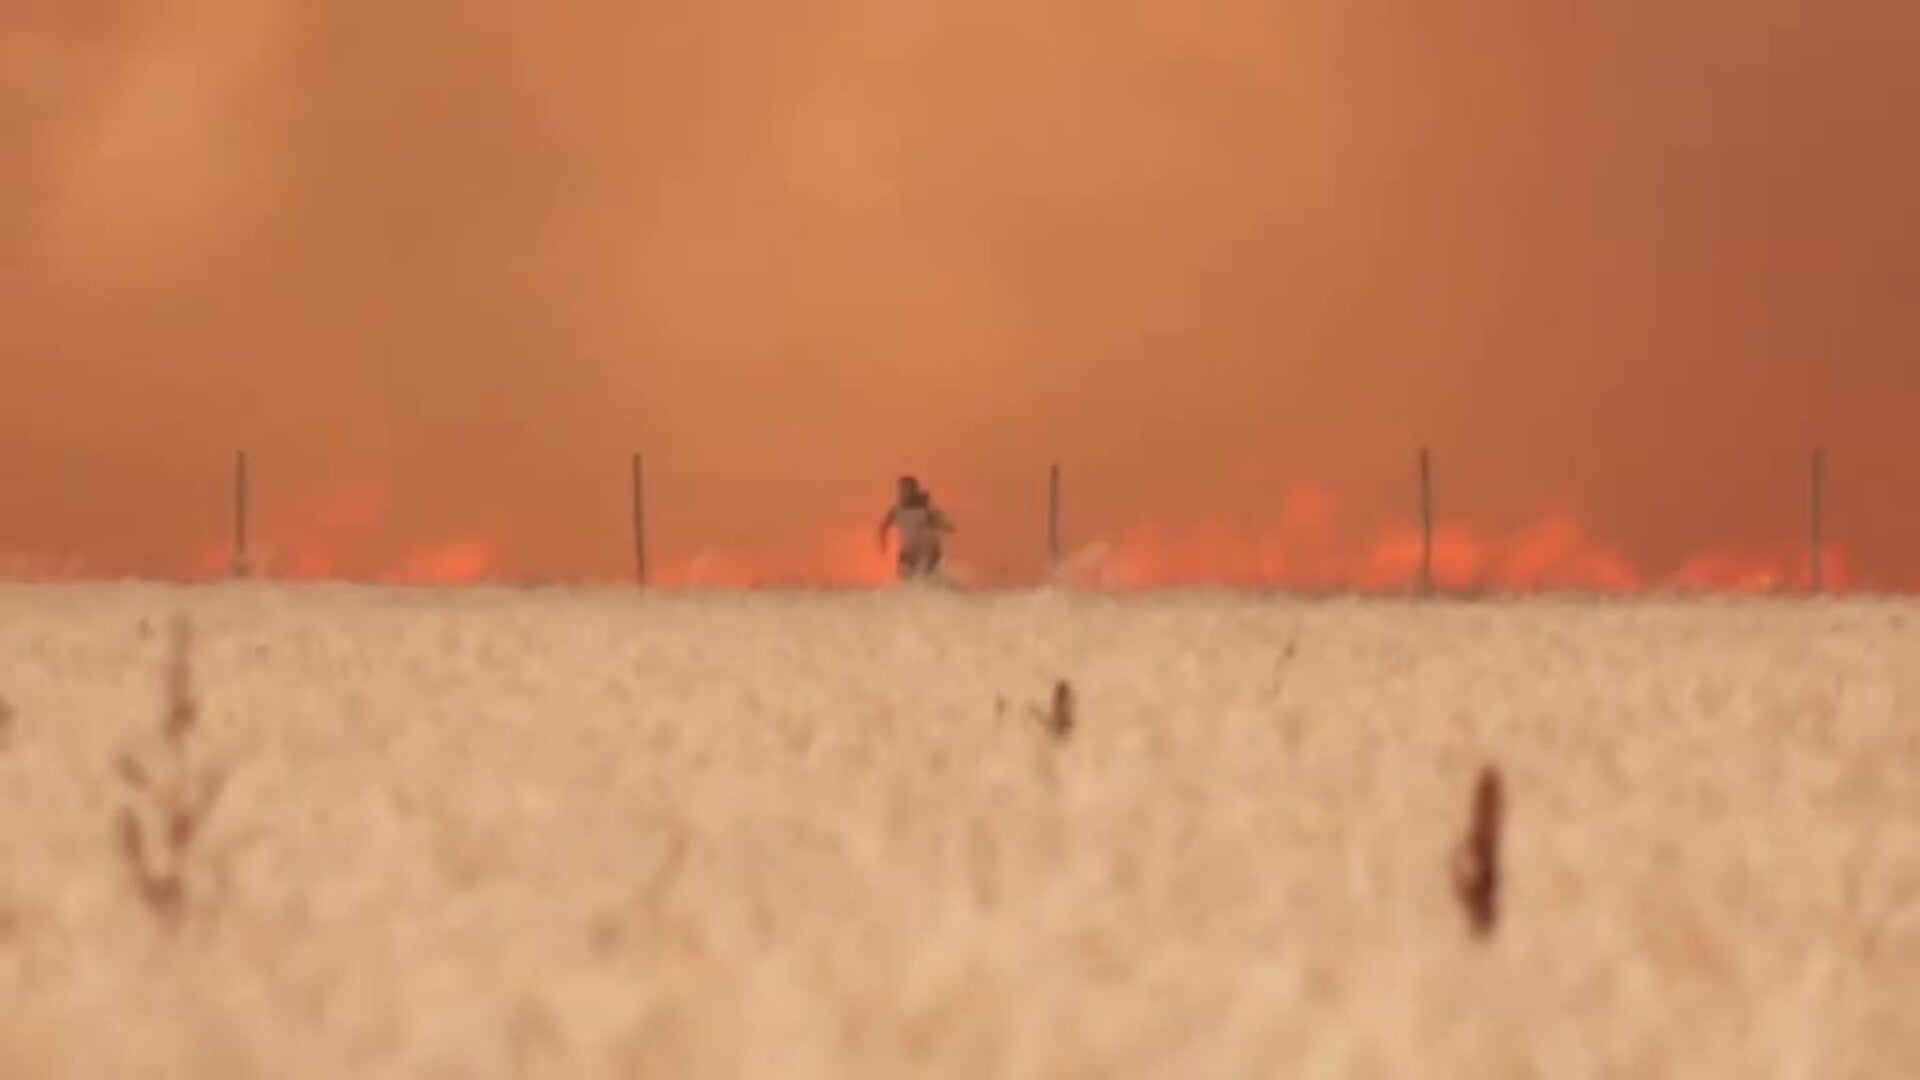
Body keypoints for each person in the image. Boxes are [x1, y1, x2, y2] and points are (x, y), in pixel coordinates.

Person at [877, 475, 954, 581]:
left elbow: (944, 524)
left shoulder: (926, 509)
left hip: (928, 551)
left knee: (929, 579)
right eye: (901, 489)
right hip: (908, 551)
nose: (903, 492)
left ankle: (938, 592)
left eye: (907, 489)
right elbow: (884, 526)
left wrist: (943, 526)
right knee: (905, 578)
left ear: (914, 490)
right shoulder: (896, 510)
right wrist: (883, 542)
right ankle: (913, 595)